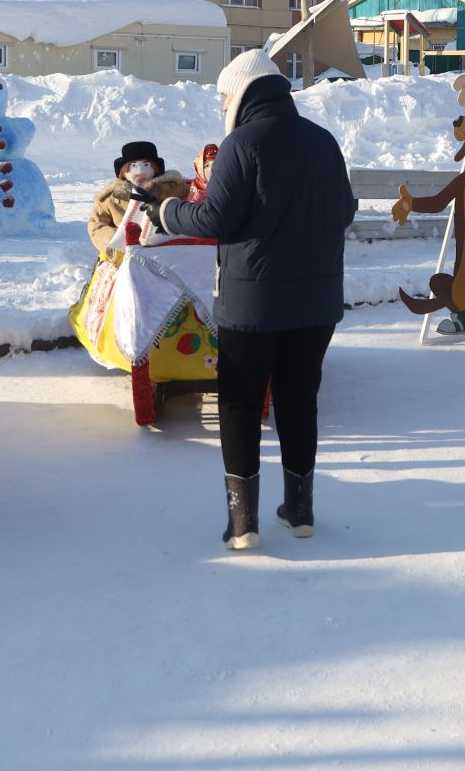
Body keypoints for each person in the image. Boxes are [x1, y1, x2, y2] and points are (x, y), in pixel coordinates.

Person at [140, 49, 356, 551]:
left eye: (222, 96)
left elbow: (216, 219)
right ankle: (299, 511)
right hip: (317, 302)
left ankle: (243, 525)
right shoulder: (323, 142)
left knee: (239, 403)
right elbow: (344, 210)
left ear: (241, 92)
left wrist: (166, 212)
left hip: (252, 306)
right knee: (299, 400)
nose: (221, 106)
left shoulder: (242, 143)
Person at [86, 141, 188, 258]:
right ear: (123, 171)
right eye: (133, 165)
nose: (140, 171)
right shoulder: (111, 197)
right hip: (122, 255)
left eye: (146, 165)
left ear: (155, 168)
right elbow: (96, 224)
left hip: (165, 254)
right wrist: (113, 242)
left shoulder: (175, 190)